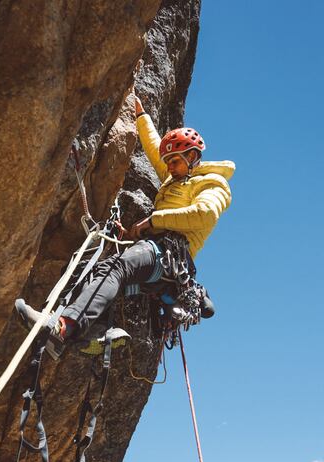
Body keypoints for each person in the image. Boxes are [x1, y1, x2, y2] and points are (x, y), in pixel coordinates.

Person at [16, 95, 235, 354]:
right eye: (169, 163)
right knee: (91, 268)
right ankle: (98, 333)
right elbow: (155, 150)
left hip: (170, 256)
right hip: (156, 262)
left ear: (192, 155)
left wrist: (154, 220)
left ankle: (63, 327)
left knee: (118, 267)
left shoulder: (212, 183)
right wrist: (141, 115)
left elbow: (205, 213)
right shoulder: (175, 177)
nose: (169, 167)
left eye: (174, 161)